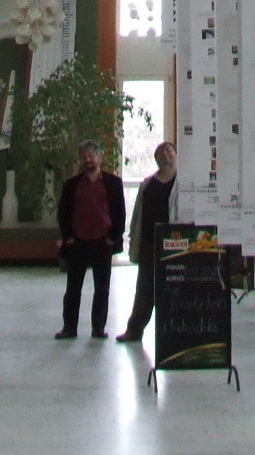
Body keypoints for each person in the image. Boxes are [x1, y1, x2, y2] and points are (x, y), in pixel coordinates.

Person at [53, 138, 128, 339]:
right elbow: (63, 213)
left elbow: (120, 212)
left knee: (102, 288)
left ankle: (98, 328)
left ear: (99, 158)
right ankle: (69, 328)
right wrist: (68, 237)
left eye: (91, 156)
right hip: (78, 242)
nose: (88, 160)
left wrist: (113, 237)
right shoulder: (71, 185)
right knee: (73, 288)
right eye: (84, 157)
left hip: (103, 242)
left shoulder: (113, 183)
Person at [117, 140, 178, 343]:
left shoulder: (183, 183)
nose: (165, 154)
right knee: (144, 289)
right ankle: (134, 330)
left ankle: (175, 331)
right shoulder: (148, 184)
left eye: (169, 150)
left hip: (175, 243)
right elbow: (138, 214)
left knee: (174, 289)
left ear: (176, 155)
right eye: (161, 152)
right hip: (150, 243)